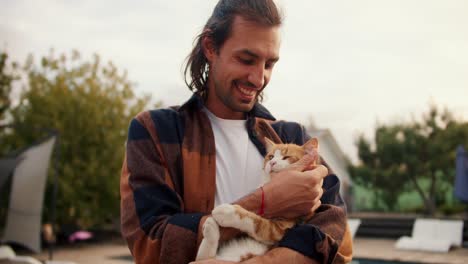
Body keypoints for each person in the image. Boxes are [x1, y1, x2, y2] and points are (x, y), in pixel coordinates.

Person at [120, 0, 353, 263]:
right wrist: (264, 202)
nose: (258, 78)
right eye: (246, 59)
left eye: (269, 64)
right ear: (210, 46)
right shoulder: (156, 131)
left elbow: (337, 238)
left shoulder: (291, 138)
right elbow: (152, 244)